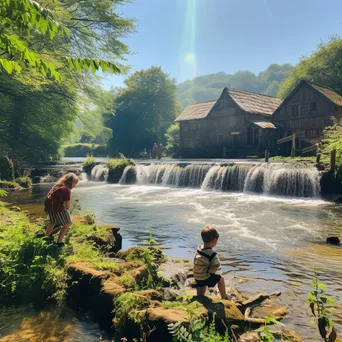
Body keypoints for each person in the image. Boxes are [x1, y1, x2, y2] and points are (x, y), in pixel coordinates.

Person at [193, 225, 229, 299]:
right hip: (204, 277)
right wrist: (211, 272)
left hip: (197, 276)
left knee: (201, 285)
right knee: (221, 279)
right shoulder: (212, 254)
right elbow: (217, 264)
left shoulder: (199, 249)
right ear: (214, 240)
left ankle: (200, 297)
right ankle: (224, 297)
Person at [44, 173, 79, 247]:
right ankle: (59, 242)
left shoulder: (58, 185)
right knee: (68, 223)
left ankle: (46, 238)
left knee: (52, 222)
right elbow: (67, 206)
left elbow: (49, 195)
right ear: (71, 183)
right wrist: (65, 210)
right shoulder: (66, 190)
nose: (75, 186)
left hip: (49, 205)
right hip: (56, 207)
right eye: (74, 184)